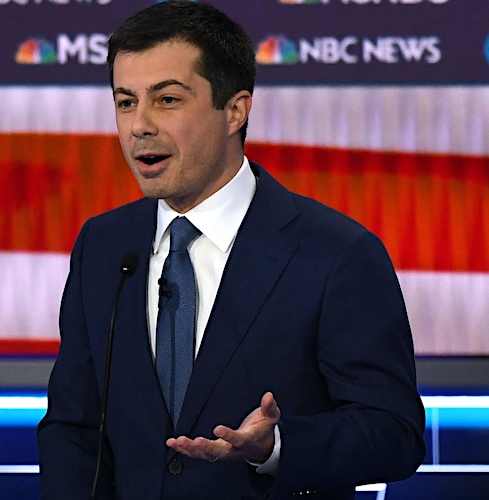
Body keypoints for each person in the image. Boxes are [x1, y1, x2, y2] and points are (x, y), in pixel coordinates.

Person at [37, 1, 426, 498]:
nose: (139, 126)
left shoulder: (336, 254)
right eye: (126, 101)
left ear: (235, 110)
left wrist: (276, 447)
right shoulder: (103, 244)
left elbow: (395, 433)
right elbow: (74, 426)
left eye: (168, 100)